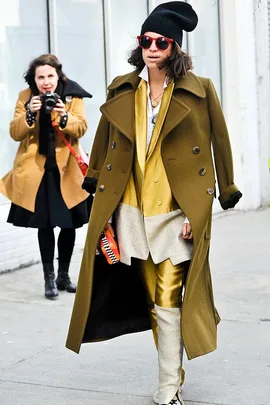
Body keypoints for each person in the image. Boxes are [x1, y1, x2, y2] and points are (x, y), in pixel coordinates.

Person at [65, 2, 242, 405]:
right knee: (152, 300)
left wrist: (212, 200)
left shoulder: (201, 90)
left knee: (168, 300)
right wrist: (97, 195)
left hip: (176, 212)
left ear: (175, 48)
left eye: (161, 41)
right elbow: (104, 144)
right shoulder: (123, 88)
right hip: (129, 210)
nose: (152, 47)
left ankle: (166, 389)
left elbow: (220, 144)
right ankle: (172, 374)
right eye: (146, 40)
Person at [0, 54, 92, 300]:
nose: (46, 82)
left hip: (67, 171)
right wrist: (29, 114)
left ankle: (63, 275)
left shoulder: (72, 96)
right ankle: (48, 278)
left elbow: (81, 126)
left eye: (50, 76)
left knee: (69, 225)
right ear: (35, 79)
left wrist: (63, 116)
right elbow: (15, 133)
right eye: (40, 77)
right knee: (45, 225)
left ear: (58, 76)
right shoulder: (25, 97)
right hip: (39, 171)